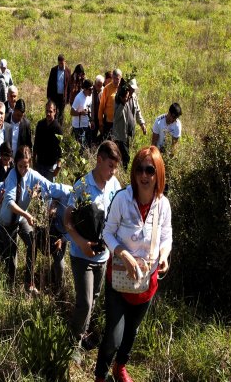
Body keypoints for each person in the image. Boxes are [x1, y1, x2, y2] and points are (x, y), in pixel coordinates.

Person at [94, 146, 172, 382]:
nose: (144, 175)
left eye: (150, 169)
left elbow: (166, 236)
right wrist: (125, 255)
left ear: (158, 173)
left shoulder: (163, 204)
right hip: (118, 280)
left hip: (146, 284)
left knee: (132, 332)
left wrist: (164, 255)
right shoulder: (122, 199)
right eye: (140, 169)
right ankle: (100, 375)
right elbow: (107, 233)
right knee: (113, 337)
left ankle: (120, 367)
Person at [64, 140, 122, 352]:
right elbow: (67, 219)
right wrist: (81, 243)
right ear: (99, 160)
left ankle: (80, 338)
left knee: (94, 299)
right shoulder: (82, 186)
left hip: (102, 257)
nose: (113, 172)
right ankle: (71, 347)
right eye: (110, 166)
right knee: (85, 303)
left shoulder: (114, 185)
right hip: (82, 256)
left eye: (116, 167)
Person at [0, 145, 54, 292]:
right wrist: (27, 215)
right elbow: (9, 203)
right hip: (6, 221)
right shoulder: (12, 177)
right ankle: (10, 288)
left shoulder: (32, 175)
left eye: (26, 166)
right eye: (20, 166)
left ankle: (29, 284)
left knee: (32, 243)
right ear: (15, 163)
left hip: (20, 219)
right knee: (11, 255)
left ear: (30, 163)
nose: (23, 170)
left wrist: (54, 202)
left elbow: (49, 187)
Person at [111, 78, 147, 169]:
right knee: (126, 156)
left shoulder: (134, 96)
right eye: (132, 88)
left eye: (134, 88)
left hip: (130, 131)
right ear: (127, 87)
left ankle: (122, 168)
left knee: (126, 152)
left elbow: (137, 111)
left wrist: (142, 124)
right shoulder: (119, 98)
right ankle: (125, 171)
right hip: (121, 132)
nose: (133, 90)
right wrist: (123, 103)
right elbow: (116, 117)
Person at [33, 100, 63, 182]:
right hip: (39, 164)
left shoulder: (58, 128)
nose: (48, 114)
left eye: (50, 111)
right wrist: (33, 160)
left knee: (48, 191)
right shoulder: (40, 124)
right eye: (47, 111)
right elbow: (36, 144)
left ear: (55, 111)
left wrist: (58, 167)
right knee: (37, 189)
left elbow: (60, 149)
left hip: (50, 166)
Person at [47, 54, 71, 126]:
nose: (61, 65)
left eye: (63, 63)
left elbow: (69, 85)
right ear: (58, 62)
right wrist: (49, 97)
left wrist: (68, 98)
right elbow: (50, 83)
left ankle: (60, 128)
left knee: (61, 113)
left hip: (63, 97)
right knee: (54, 112)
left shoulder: (68, 71)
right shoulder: (53, 70)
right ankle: (52, 126)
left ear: (65, 62)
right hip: (55, 96)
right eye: (60, 63)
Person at [99, 69, 122, 139]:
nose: (115, 81)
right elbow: (101, 106)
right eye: (113, 78)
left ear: (120, 78)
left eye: (117, 79)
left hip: (119, 122)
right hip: (109, 122)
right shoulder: (107, 89)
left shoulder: (123, 88)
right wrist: (100, 122)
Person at [71, 79, 93, 150]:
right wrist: (81, 113)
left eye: (92, 89)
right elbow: (71, 112)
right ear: (85, 89)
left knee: (86, 145)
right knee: (79, 148)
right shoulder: (78, 98)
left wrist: (91, 121)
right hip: (78, 126)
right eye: (90, 89)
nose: (91, 91)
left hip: (86, 124)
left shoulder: (90, 96)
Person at [90, 75, 104, 147]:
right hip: (93, 118)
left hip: (101, 118)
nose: (100, 87)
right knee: (92, 135)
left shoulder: (104, 90)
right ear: (95, 83)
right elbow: (91, 106)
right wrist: (92, 120)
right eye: (98, 85)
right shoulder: (91, 91)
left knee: (103, 135)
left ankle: (97, 146)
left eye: (101, 86)